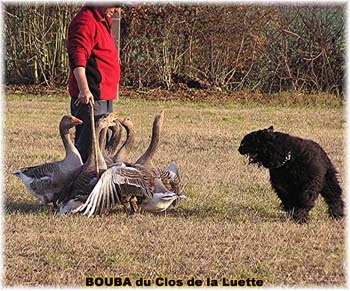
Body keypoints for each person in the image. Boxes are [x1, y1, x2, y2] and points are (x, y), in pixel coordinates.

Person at [66, 3, 121, 162]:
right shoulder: (85, 22)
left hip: (103, 97)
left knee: (101, 150)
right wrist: (84, 89)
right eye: (115, 4)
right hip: (91, 99)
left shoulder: (101, 21)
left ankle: (97, 185)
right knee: (89, 152)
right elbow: (77, 56)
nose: (117, 10)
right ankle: (80, 186)